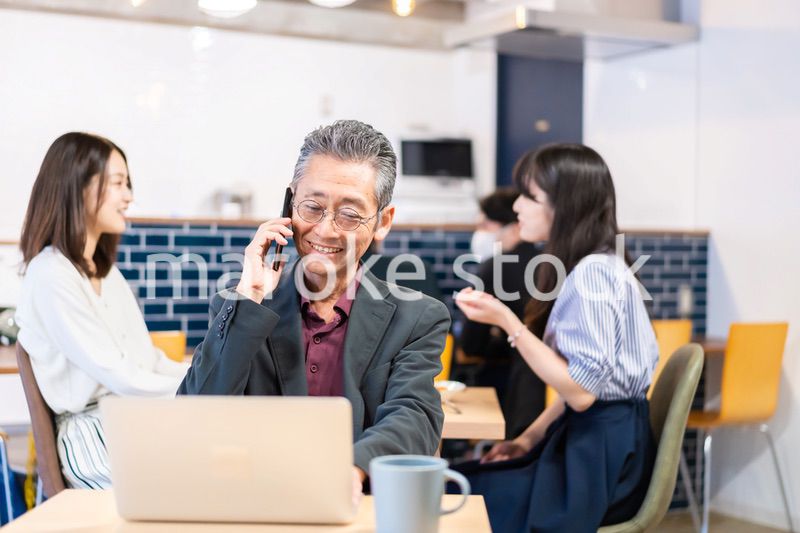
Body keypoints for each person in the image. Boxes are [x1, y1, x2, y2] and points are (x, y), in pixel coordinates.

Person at [178, 120, 450, 499]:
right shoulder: (242, 304)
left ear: (383, 222)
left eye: (350, 215)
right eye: (313, 207)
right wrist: (249, 296)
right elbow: (193, 417)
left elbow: (415, 417)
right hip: (252, 502)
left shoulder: (416, 317)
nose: (325, 230)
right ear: (290, 204)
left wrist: (353, 470)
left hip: (355, 508)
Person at [454, 143, 658, 532]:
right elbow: (580, 391)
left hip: (599, 460)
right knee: (469, 482)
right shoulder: (594, 265)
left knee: (465, 497)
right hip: (597, 446)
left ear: (565, 206)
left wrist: (507, 320)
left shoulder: (593, 274)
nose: (517, 207)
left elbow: (581, 392)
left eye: (530, 197)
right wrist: (527, 440)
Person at [16, 132, 189, 489]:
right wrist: (200, 386)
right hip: (91, 437)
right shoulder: (51, 274)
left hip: (129, 420)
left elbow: (147, 361)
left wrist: (202, 375)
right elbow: (120, 374)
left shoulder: (106, 274)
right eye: (119, 183)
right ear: (78, 187)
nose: (129, 196)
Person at [458, 187, 545, 439]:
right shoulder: (551, 263)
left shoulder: (494, 267)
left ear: (516, 226)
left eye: (487, 224)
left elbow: (472, 344)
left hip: (516, 392)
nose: (481, 233)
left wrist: (498, 335)